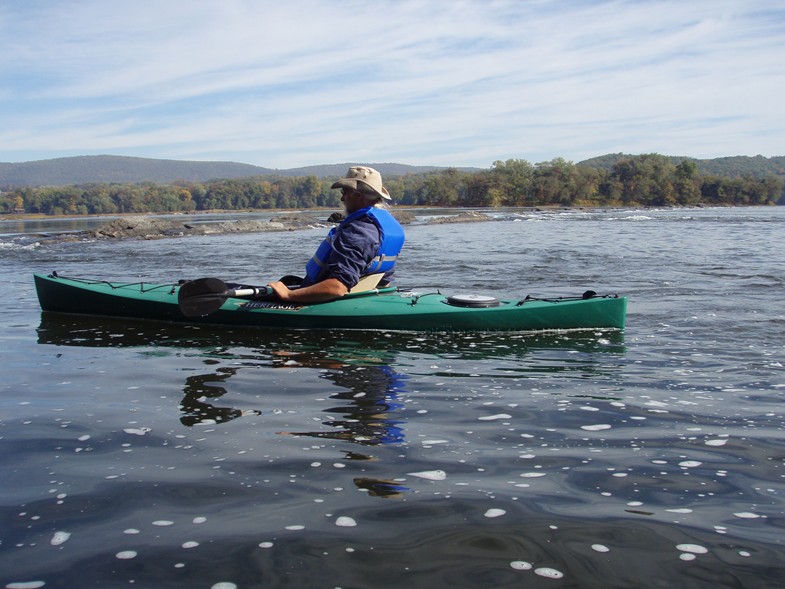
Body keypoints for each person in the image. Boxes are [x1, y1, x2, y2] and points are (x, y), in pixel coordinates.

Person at [267, 166, 405, 303]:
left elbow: (337, 287)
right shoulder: (389, 227)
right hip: (363, 296)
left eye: (345, 192)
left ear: (357, 196)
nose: (342, 198)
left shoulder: (357, 232)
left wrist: (289, 295)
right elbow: (384, 281)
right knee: (288, 280)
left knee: (283, 287)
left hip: (326, 301)